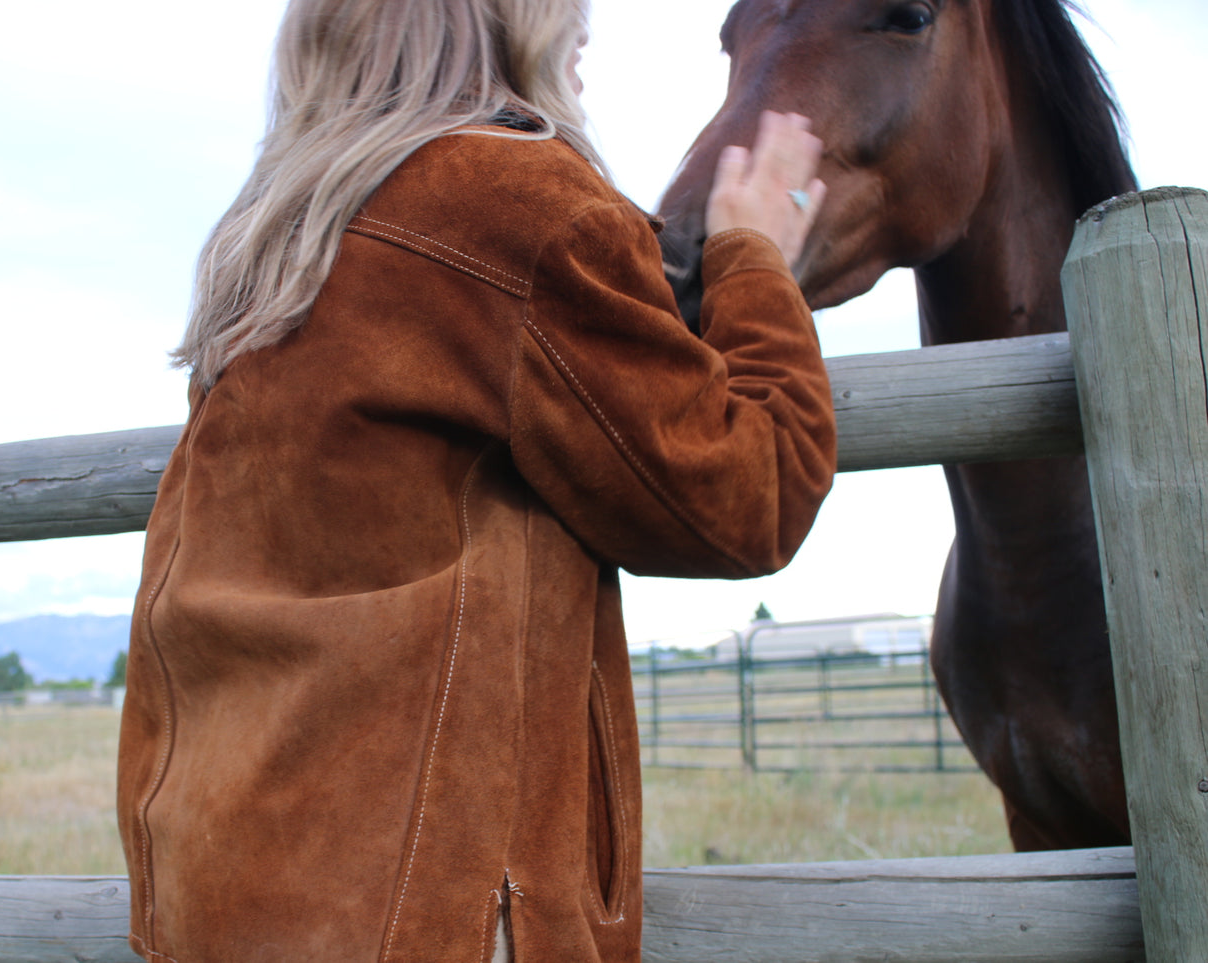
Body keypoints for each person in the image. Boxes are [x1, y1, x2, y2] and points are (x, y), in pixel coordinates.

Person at [116, 0, 834, 960]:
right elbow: (750, 496)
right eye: (568, 25)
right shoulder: (512, 204)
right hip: (422, 913)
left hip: (228, 885)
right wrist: (754, 258)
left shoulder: (272, 247)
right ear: (512, 28)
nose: (582, 45)